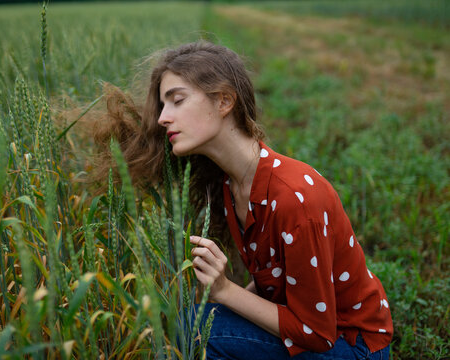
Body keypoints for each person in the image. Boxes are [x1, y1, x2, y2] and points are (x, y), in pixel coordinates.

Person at [92, 41, 393, 359]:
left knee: (194, 327)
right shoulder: (230, 186)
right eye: (162, 106)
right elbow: (273, 286)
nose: (163, 118)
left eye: (176, 101)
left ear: (223, 101)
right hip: (317, 334)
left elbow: (316, 333)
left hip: (353, 345)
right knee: (195, 320)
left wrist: (224, 290)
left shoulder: (296, 199)